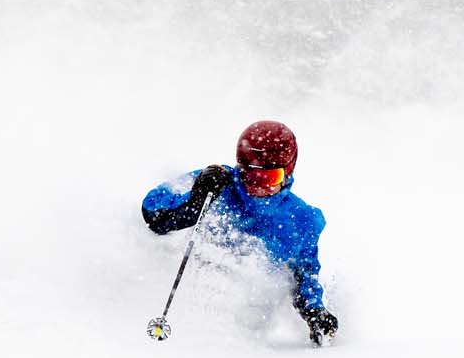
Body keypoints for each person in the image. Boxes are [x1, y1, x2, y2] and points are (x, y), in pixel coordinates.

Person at [141, 120, 338, 345]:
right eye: (248, 174)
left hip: (238, 335)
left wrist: (314, 311)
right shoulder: (216, 184)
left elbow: (304, 273)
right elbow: (153, 213)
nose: (255, 185)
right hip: (187, 314)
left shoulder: (300, 220)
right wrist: (195, 199)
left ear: (288, 172)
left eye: (268, 177)